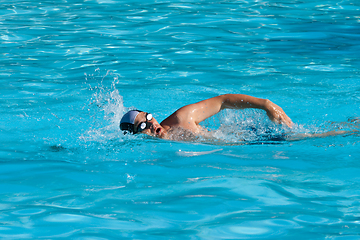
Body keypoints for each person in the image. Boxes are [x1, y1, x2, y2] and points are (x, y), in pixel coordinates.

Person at [119, 94, 293, 140]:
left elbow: (222, 102)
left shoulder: (181, 119)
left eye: (148, 117)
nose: (150, 124)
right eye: (142, 126)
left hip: (253, 137)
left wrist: (265, 104)